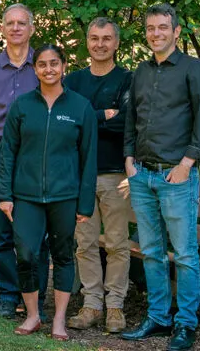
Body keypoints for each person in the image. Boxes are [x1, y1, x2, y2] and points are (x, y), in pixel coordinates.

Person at [118, 3, 200, 351]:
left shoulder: (195, 69)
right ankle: (158, 318)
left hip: (176, 177)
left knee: (185, 254)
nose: (156, 33)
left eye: (162, 27)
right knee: (151, 252)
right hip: (142, 175)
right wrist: (129, 159)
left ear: (176, 31)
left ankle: (185, 324)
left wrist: (186, 164)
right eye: (150, 28)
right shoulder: (141, 72)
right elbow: (132, 117)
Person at [0, 44, 97, 341]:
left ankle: (59, 320)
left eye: (54, 63)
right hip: (26, 196)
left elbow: (88, 158)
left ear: (63, 65)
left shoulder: (80, 107)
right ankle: (32, 316)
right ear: (35, 68)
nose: (49, 69)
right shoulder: (22, 106)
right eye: (42, 64)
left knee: (64, 256)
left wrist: (85, 202)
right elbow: (8, 154)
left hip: (65, 197)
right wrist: (5, 194)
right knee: (26, 255)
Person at [0, 3, 49, 319]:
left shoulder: (45, 66)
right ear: (3, 29)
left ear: (32, 29)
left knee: (37, 229)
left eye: (23, 23)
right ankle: (8, 294)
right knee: (1, 229)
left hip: (35, 156)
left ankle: (36, 294)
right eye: (10, 23)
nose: (16, 28)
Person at [65, 17, 133, 334]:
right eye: (94, 38)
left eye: (107, 38)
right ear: (87, 42)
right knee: (85, 243)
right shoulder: (74, 82)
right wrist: (102, 115)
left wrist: (88, 119)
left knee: (118, 243)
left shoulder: (128, 80)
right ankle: (92, 303)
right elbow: (68, 123)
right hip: (81, 175)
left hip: (115, 175)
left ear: (116, 43)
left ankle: (115, 307)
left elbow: (128, 123)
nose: (100, 44)